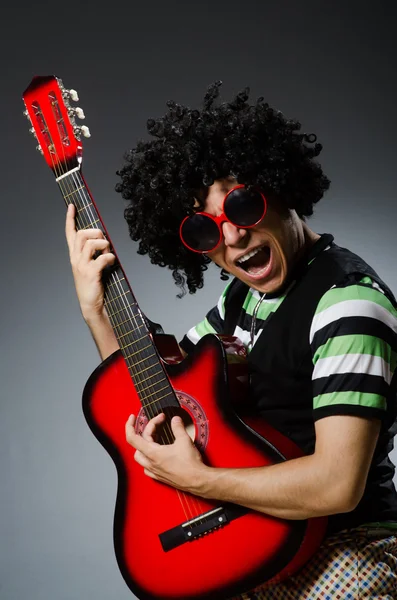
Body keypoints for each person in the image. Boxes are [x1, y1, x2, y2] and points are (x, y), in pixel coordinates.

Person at [65, 82, 397, 598]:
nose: (233, 237)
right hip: (254, 546)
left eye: (241, 207)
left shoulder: (346, 302)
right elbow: (153, 399)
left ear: (282, 186)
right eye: (205, 230)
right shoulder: (239, 302)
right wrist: (97, 311)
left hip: (346, 551)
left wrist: (199, 481)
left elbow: (338, 484)